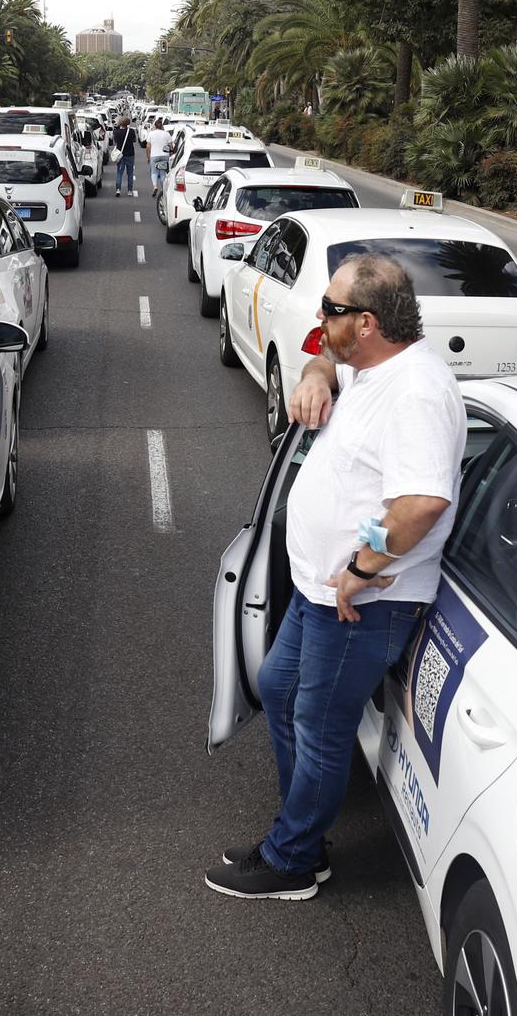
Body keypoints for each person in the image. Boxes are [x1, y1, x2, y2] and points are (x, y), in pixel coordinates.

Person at [205, 255, 466, 902]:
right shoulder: (372, 366)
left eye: (330, 309)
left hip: (360, 603)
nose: (320, 317)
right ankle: (303, 828)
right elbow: (330, 362)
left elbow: (421, 503)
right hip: (321, 594)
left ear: (369, 322)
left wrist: (360, 565)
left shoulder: (418, 393)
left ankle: (293, 858)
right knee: (278, 685)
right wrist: (319, 371)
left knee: (319, 725)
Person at [110, 116, 138, 196]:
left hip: (120, 154)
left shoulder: (116, 132)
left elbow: (115, 141)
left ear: (120, 123)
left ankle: (118, 189)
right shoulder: (131, 131)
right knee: (130, 172)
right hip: (130, 154)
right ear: (128, 123)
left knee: (119, 172)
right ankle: (129, 190)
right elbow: (134, 140)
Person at [144, 119, 172, 197]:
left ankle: (155, 186)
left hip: (154, 155)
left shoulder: (151, 134)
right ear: (162, 125)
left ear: (155, 126)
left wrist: (148, 157)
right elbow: (171, 146)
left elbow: (148, 147)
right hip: (164, 155)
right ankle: (163, 190)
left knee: (154, 172)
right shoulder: (167, 134)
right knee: (163, 173)